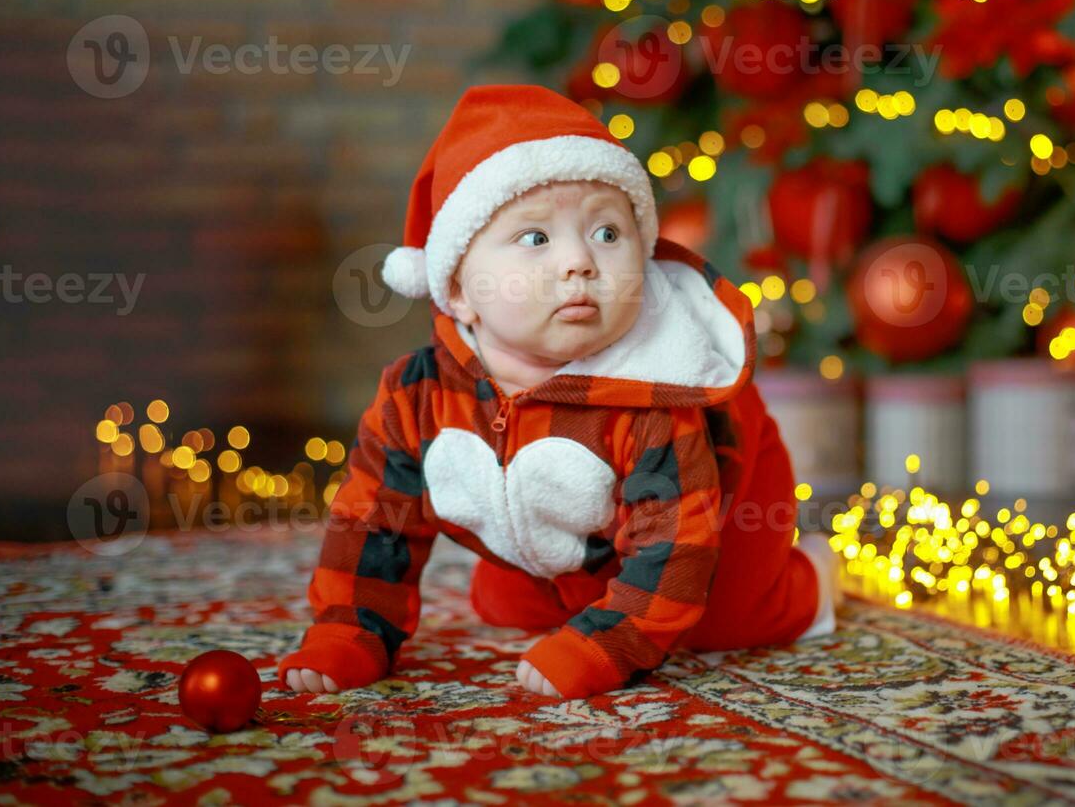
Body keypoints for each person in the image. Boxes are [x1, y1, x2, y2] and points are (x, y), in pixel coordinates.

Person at [278, 84, 840, 699]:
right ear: (458, 289)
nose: (579, 260)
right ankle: (552, 580)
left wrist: (605, 645)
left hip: (717, 499)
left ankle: (815, 574)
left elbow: (675, 545)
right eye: (536, 239)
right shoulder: (417, 395)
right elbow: (372, 519)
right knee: (513, 608)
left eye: (606, 233)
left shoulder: (653, 391)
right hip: (574, 533)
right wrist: (350, 629)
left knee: (719, 620)